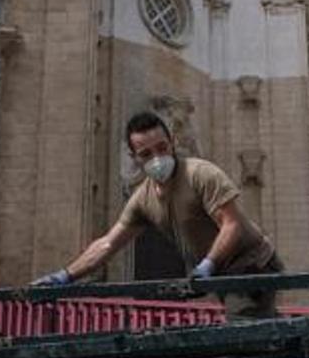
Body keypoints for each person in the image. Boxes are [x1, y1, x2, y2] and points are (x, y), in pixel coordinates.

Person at [32, 111, 283, 319]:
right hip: (222, 272)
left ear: (172, 142)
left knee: (243, 331)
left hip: (252, 262)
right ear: (135, 158)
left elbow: (231, 224)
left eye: (162, 148)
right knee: (261, 329)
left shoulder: (200, 174)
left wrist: (207, 265)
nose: (157, 158)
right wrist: (64, 276)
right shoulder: (143, 199)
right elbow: (108, 244)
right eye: (146, 154)